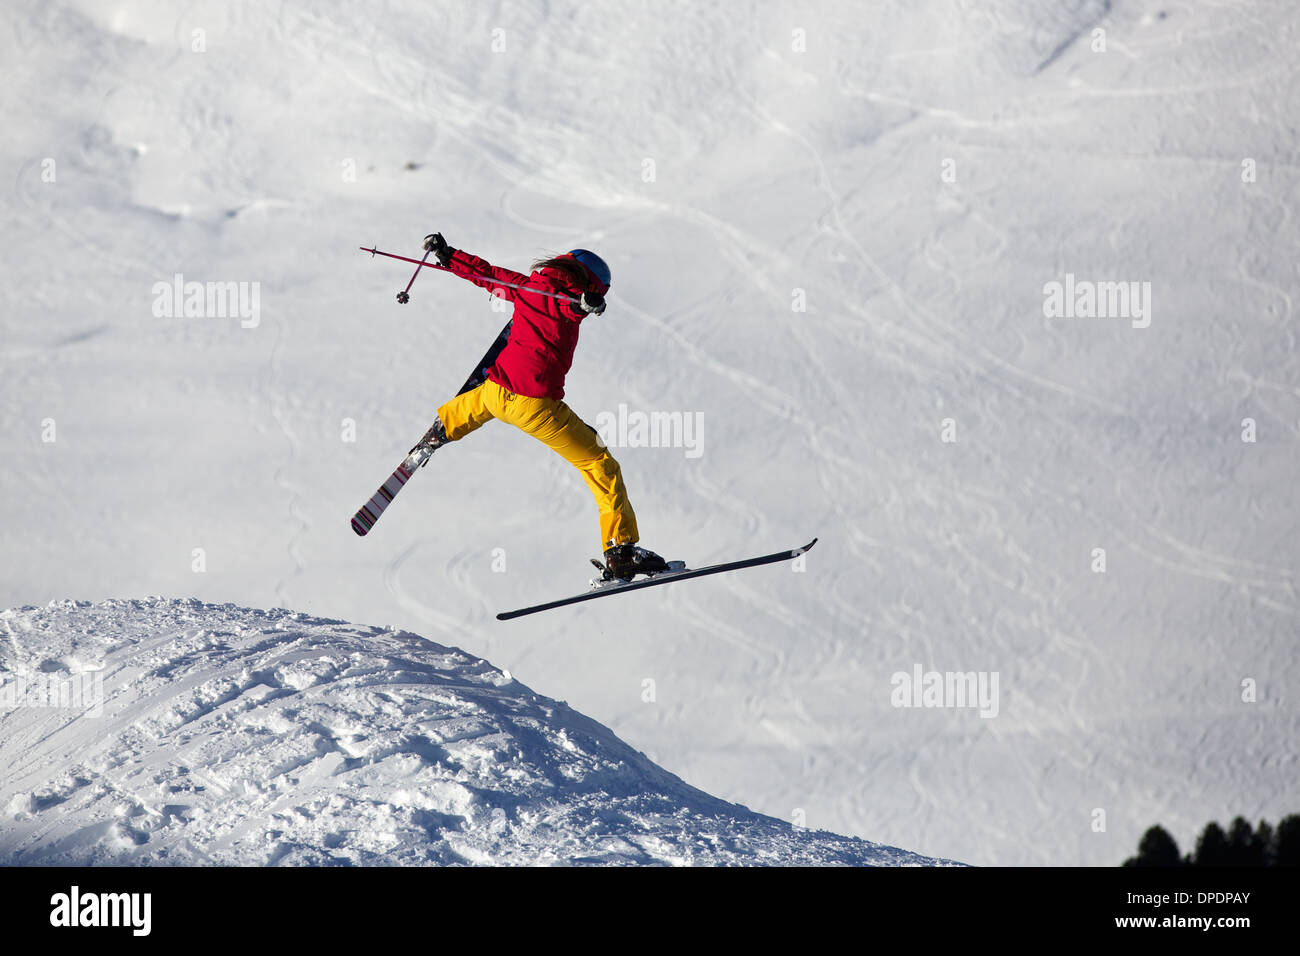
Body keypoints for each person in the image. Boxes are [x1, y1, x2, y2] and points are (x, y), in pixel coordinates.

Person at [416, 232, 669, 581]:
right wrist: (584, 304)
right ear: (589, 282)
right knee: (599, 462)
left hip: (495, 392)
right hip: (535, 407)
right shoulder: (569, 300)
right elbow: (569, 305)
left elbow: (487, 275)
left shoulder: (526, 287)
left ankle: (442, 428)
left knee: (480, 402)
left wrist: (448, 255)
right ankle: (620, 551)